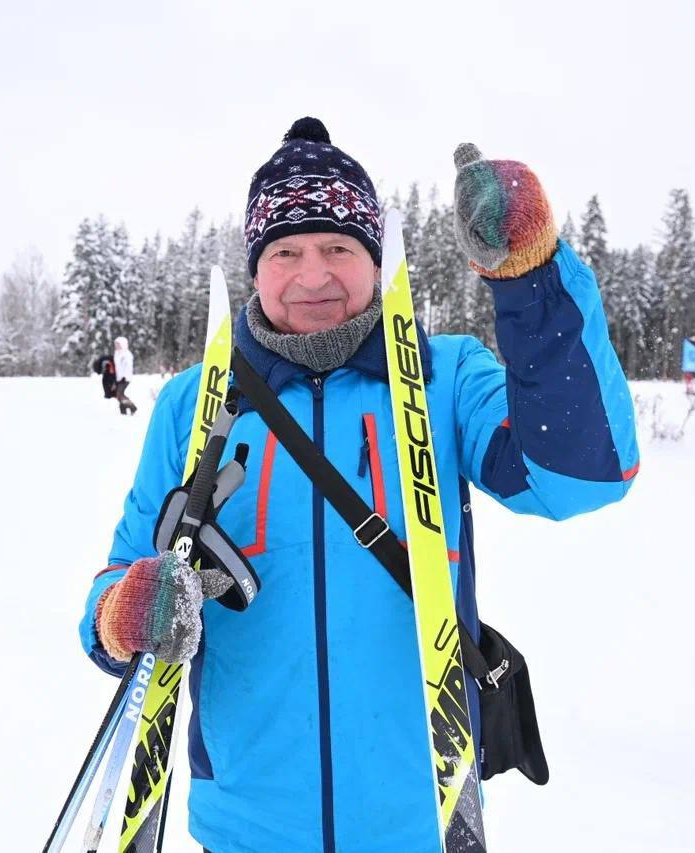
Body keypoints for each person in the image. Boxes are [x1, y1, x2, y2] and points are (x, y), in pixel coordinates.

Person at [75, 118, 639, 852]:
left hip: (419, 823)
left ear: (375, 260)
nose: (313, 276)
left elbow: (582, 475)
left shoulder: (445, 379)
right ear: (256, 266)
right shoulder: (192, 404)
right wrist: (124, 614)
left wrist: (531, 277)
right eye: (286, 252)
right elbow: (115, 586)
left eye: (338, 248)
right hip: (245, 830)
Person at [112, 336, 137, 415]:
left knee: (119, 394)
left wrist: (124, 377)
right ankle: (123, 410)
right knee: (119, 394)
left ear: (123, 344)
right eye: (115, 344)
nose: (116, 346)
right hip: (119, 378)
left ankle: (132, 407)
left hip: (125, 378)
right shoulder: (117, 353)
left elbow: (128, 367)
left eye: (118, 344)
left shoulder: (127, 354)